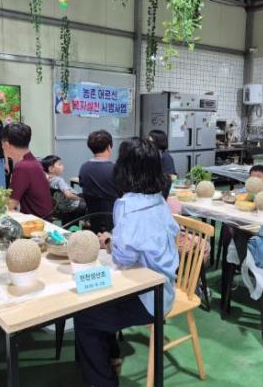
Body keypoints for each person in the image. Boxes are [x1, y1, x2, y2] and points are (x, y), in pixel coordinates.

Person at [74, 138, 179, 387]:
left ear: (124, 168)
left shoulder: (127, 205)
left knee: (85, 316)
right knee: (97, 304)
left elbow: (123, 257)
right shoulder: (157, 197)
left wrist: (110, 243)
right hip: (164, 288)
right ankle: (111, 358)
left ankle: (104, 380)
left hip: (147, 298)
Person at [2, 122, 53, 219]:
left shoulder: (22, 167)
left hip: (37, 221)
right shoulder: (31, 160)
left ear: (7, 145)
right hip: (42, 216)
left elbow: (11, 204)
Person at [79, 130, 120, 204]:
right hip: (114, 209)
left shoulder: (84, 168)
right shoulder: (115, 168)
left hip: (91, 210)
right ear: (109, 147)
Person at [41, 155, 86, 220]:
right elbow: (68, 195)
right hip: (74, 206)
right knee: (91, 203)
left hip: (61, 209)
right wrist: (80, 199)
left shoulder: (46, 181)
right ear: (51, 169)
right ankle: (87, 223)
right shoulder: (59, 180)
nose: (62, 166)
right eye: (59, 164)